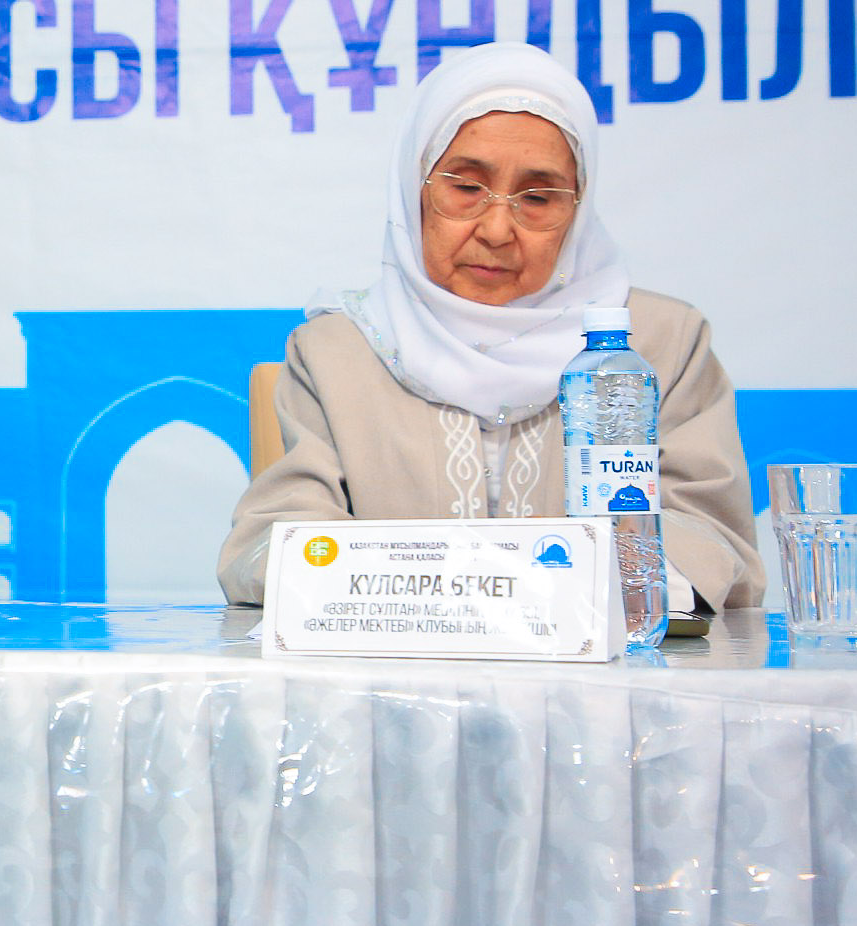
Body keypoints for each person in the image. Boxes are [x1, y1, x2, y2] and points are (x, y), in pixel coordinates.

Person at [218, 42, 764, 611]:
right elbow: (274, 544)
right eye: (466, 188)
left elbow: (711, 542)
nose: (498, 230)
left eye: (539, 198)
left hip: (609, 666)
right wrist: (455, 593)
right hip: (397, 665)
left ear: (578, 210)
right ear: (413, 188)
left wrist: (543, 594)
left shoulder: (660, 342)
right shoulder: (338, 351)